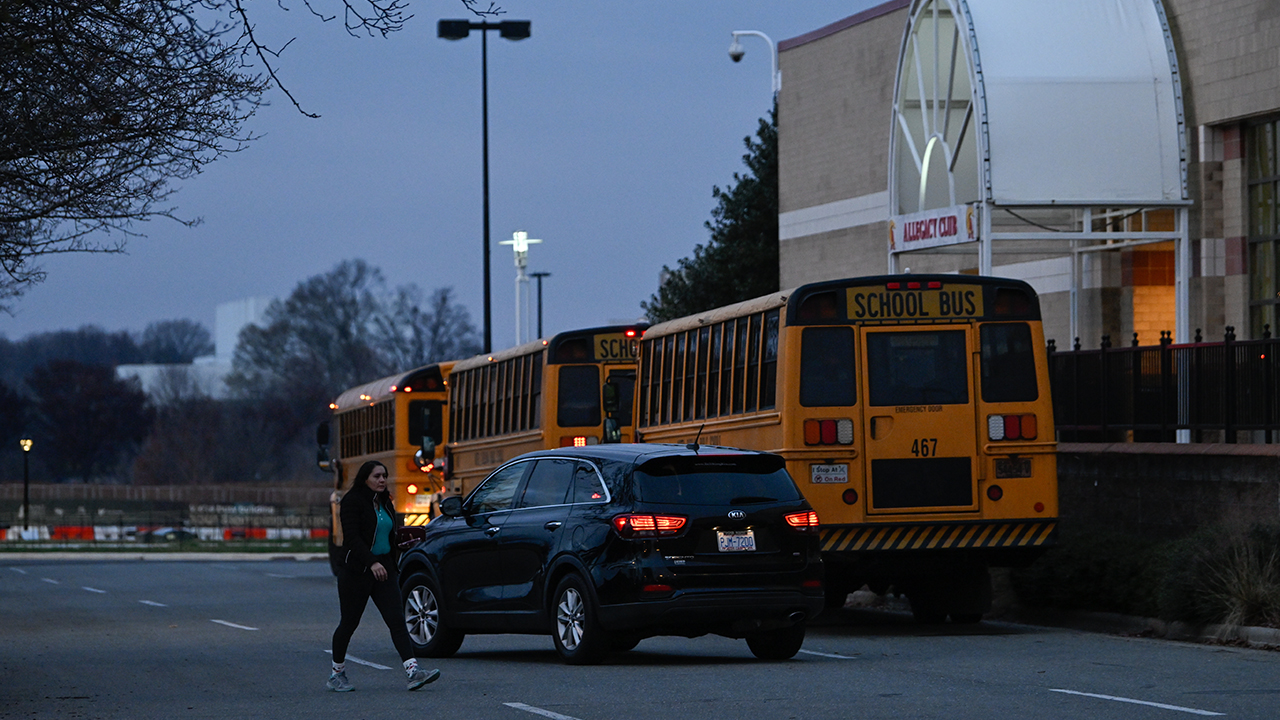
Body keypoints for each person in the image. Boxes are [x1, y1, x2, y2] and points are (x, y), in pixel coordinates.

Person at [327, 460, 440, 692]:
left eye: (384, 476)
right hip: (356, 572)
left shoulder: (385, 501)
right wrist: (372, 562)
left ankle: (413, 672)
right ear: (365, 478)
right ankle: (336, 674)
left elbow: (387, 536)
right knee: (349, 623)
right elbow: (352, 539)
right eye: (377, 476)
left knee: (396, 620)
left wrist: (404, 542)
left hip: (384, 571)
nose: (382, 480)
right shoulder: (352, 501)